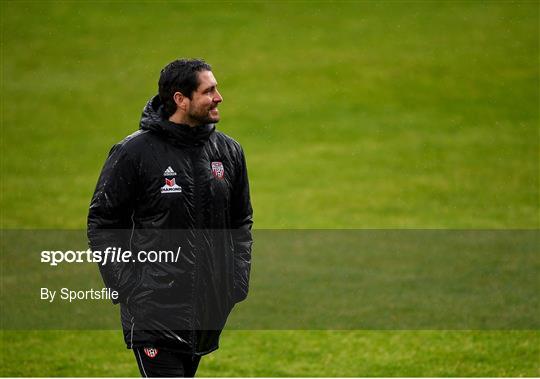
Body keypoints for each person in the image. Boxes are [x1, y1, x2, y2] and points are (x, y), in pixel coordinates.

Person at [87, 59, 253, 377]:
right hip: (153, 312)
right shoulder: (133, 153)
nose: (219, 97)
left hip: (206, 311)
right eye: (209, 90)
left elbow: (240, 220)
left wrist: (236, 280)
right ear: (181, 99)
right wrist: (129, 286)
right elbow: (104, 222)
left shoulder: (229, 152)